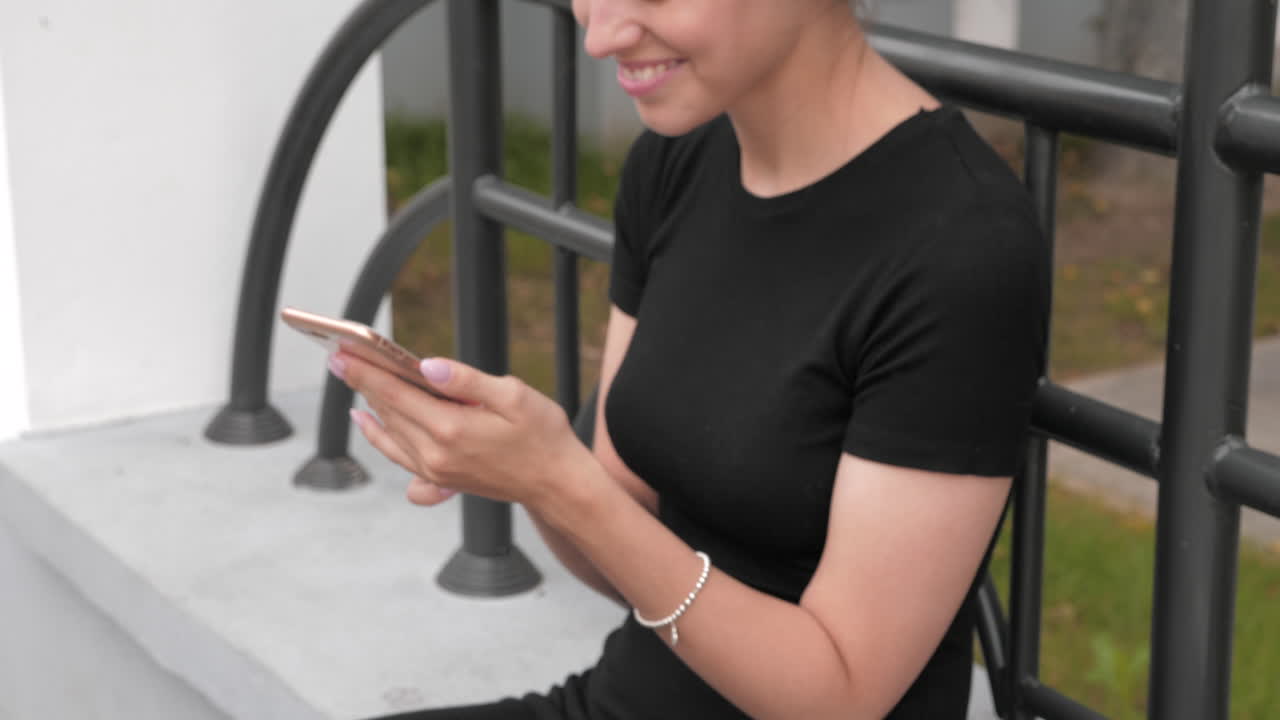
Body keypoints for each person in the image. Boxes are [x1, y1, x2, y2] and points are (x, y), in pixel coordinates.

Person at [334, 0, 1049, 717]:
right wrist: (525, 467)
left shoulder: (962, 248)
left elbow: (842, 695)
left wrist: (558, 481)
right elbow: (621, 541)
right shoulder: (678, 158)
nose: (600, 36)